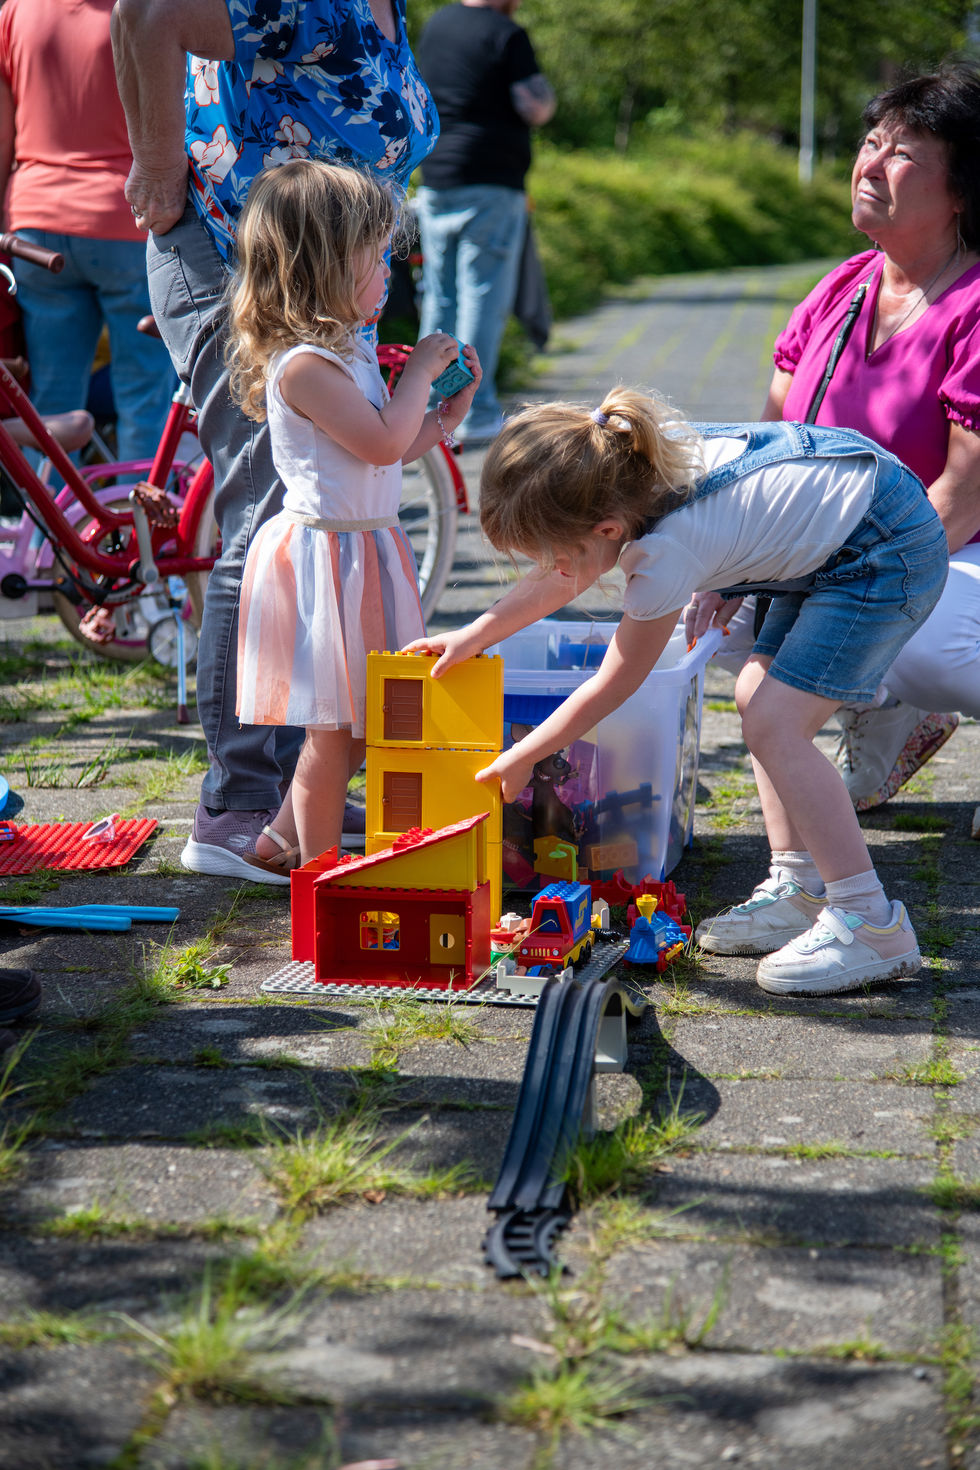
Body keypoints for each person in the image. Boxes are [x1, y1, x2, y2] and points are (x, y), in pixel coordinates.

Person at [405, 389, 948, 997]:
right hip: (846, 520)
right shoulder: (631, 466)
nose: (551, 569)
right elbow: (735, 518)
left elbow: (617, 679)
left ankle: (869, 918)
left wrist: (529, 752)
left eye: (554, 556)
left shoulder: (663, 552)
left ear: (608, 529)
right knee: (754, 697)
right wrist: (475, 634)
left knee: (775, 723)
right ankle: (798, 885)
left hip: (882, 548)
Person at [110, 0, 439, 882]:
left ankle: (301, 796)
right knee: (267, 508)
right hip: (250, 270)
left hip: (335, 293)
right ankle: (242, 804)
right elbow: (142, 12)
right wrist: (156, 168)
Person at [688, 63, 980, 813]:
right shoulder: (842, 287)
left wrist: (829, 576)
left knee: (921, 643)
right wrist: (730, 559)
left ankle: (896, 694)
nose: (871, 164)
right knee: (703, 619)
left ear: (963, 193)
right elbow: (771, 447)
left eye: (904, 154)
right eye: (872, 141)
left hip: (953, 545)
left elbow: (961, 496)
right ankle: (889, 718)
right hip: (849, 548)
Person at [225, 161, 479, 874]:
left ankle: (280, 839)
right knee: (334, 733)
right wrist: (421, 374)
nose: (387, 277)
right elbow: (381, 440)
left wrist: (444, 418)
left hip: (365, 553)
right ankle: (323, 874)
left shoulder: (351, 350)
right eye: (376, 260)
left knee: (372, 721)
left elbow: (385, 453)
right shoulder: (305, 366)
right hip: (328, 562)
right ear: (326, 267)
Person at [0, 0, 173, 464]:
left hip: (35, 224)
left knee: (51, 403)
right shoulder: (142, 10)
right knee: (144, 395)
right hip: (126, 220)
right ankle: (140, 525)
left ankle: (53, 530)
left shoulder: (15, 11)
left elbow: (3, 137)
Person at [414, 0, 555, 445]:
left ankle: (424, 404)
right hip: (491, 180)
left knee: (440, 294)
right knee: (481, 295)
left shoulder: (436, 24)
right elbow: (534, 106)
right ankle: (472, 413)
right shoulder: (505, 33)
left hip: (436, 175)